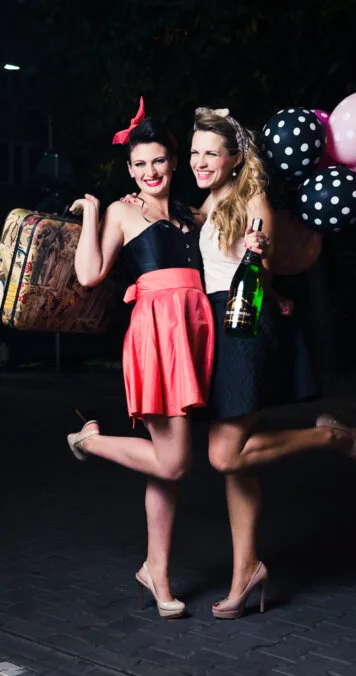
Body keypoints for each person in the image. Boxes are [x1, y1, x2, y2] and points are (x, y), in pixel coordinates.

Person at [66, 102, 241, 620]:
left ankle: (156, 573)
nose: (151, 172)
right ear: (130, 169)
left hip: (192, 335)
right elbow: (89, 273)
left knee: (166, 469)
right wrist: (96, 210)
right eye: (140, 165)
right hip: (156, 337)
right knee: (174, 461)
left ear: (173, 161)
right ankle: (89, 439)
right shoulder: (124, 210)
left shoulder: (190, 214)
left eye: (160, 161)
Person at [189, 107, 356, 619]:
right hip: (218, 327)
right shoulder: (210, 201)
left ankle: (331, 436)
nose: (200, 161)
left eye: (210, 153)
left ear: (234, 158)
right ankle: (248, 573)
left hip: (245, 324)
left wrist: (258, 258)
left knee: (225, 456)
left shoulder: (252, 199)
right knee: (235, 464)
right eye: (195, 153)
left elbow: (257, 272)